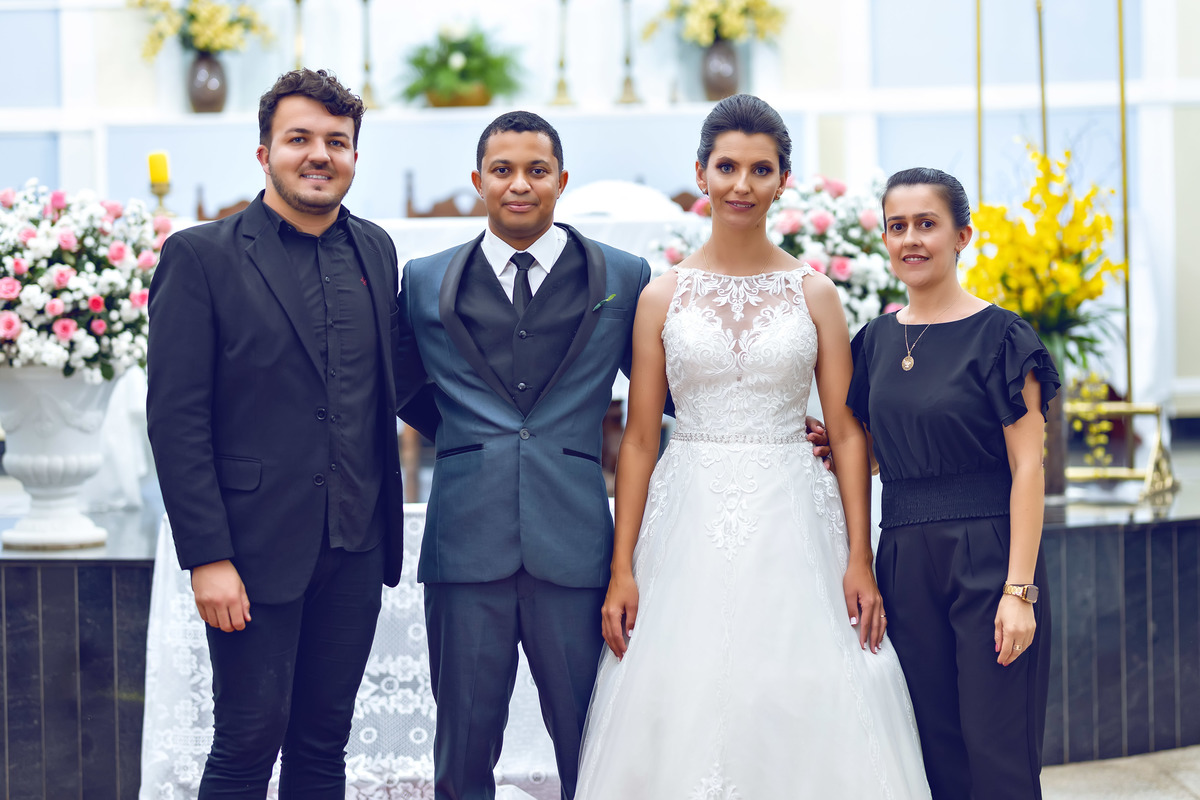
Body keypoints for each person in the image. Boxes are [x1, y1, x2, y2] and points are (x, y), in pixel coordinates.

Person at [575, 94, 931, 798]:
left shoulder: (815, 294)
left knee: (799, 684)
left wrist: (859, 557)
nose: (742, 184)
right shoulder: (661, 297)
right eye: (727, 167)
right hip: (687, 516)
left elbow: (847, 432)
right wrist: (622, 568)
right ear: (700, 173)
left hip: (795, 512)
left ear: (783, 180)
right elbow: (640, 440)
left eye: (760, 169)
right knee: (684, 688)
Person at [146, 69, 409, 799]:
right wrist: (208, 557)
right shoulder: (201, 257)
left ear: (353, 155)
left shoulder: (377, 250)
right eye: (299, 139)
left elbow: (388, 387)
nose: (319, 155)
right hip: (252, 550)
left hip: (356, 545)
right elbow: (176, 419)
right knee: (248, 739)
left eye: (337, 142)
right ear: (265, 153)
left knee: (324, 744)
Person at [847, 167, 1060, 800]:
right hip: (903, 557)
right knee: (930, 752)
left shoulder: (1004, 337)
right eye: (897, 226)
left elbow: (1028, 467)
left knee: (998, 753)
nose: (910, 239)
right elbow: (878, 451)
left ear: (962, 235)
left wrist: (1019, 590)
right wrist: (838, 447)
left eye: (927, 224)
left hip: (988, 556)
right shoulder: (874, 342)